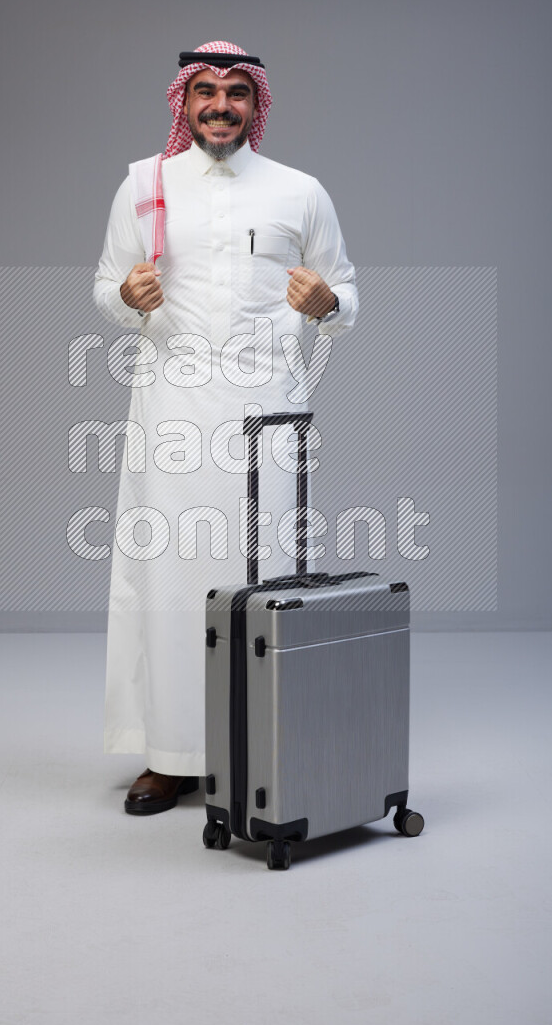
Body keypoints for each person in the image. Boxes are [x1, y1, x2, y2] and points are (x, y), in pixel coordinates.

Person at [93, 40, 358, 814]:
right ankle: (172, 755)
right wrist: (128, 297)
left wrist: (326, 305)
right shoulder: (145, 184)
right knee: (171, 581)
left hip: (266, 411)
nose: (220, 104)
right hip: (171, 411)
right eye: (205, 90)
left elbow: (345, 291)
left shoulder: (299, 191)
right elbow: (105, 286)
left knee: (264, 576)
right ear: (184, 101)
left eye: (236, 92)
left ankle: (262, 747)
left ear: (256, 104)